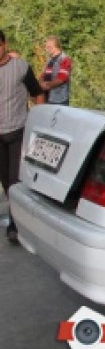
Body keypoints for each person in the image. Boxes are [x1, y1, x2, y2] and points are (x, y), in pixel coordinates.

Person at [0, 30, 44, 243]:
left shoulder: (21, 67)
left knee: (15, 180)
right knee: (5, 181)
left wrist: (40, 119)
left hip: (18, 130)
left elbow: (37, 93)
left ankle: (15, 225)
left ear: (5, 44)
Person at [40, 36, 72, 105]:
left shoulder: (64, 59)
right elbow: (43, 75)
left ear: (55, 47)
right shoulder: (49, 60)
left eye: (48, 47)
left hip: (59, 99)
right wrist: (40, 84)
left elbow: (61, 79)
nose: (46, 49)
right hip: (47, 97)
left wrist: (47, 85)